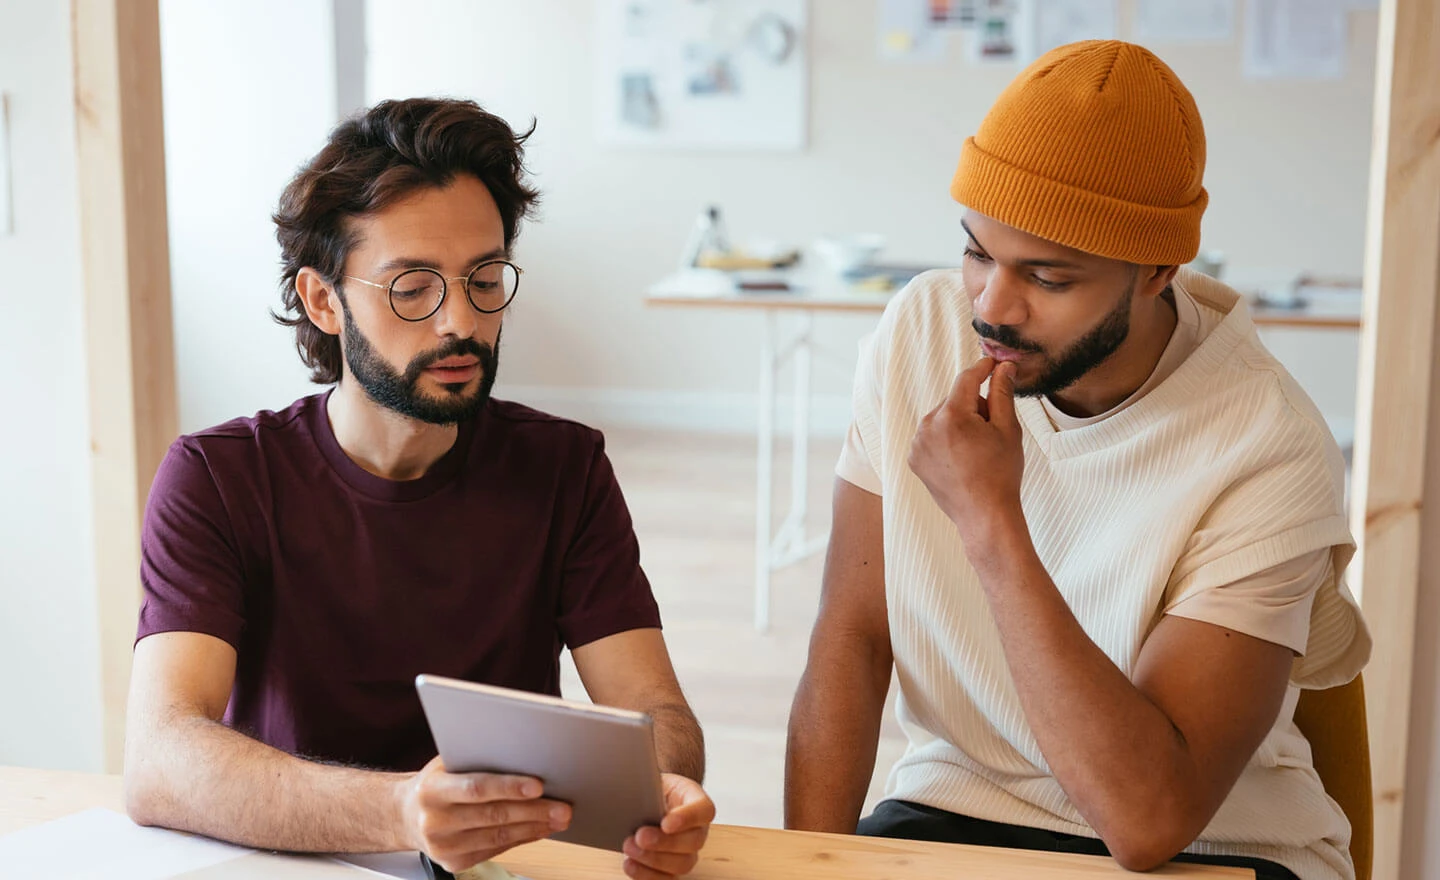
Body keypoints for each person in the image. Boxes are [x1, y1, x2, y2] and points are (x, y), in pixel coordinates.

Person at [785, 40, 1370, 880]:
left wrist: (990, 520)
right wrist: (808, 864)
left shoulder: (1266, 444)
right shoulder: (921, 328)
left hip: (1213, 851)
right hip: (956, 816)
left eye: (1048, 278)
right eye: (978, 251)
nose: (990, 306)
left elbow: (1149, 820)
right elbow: (851, 637)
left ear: (1157, 270)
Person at [124, 98, 713, 880]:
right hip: (280, 861)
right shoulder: (217, 477)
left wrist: (660, 791)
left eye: (484, 278)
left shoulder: (564, 468)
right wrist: (402, 812)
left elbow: (657, 714)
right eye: (412, 288)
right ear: (323, 301)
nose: (459, 323)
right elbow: (160, 757)